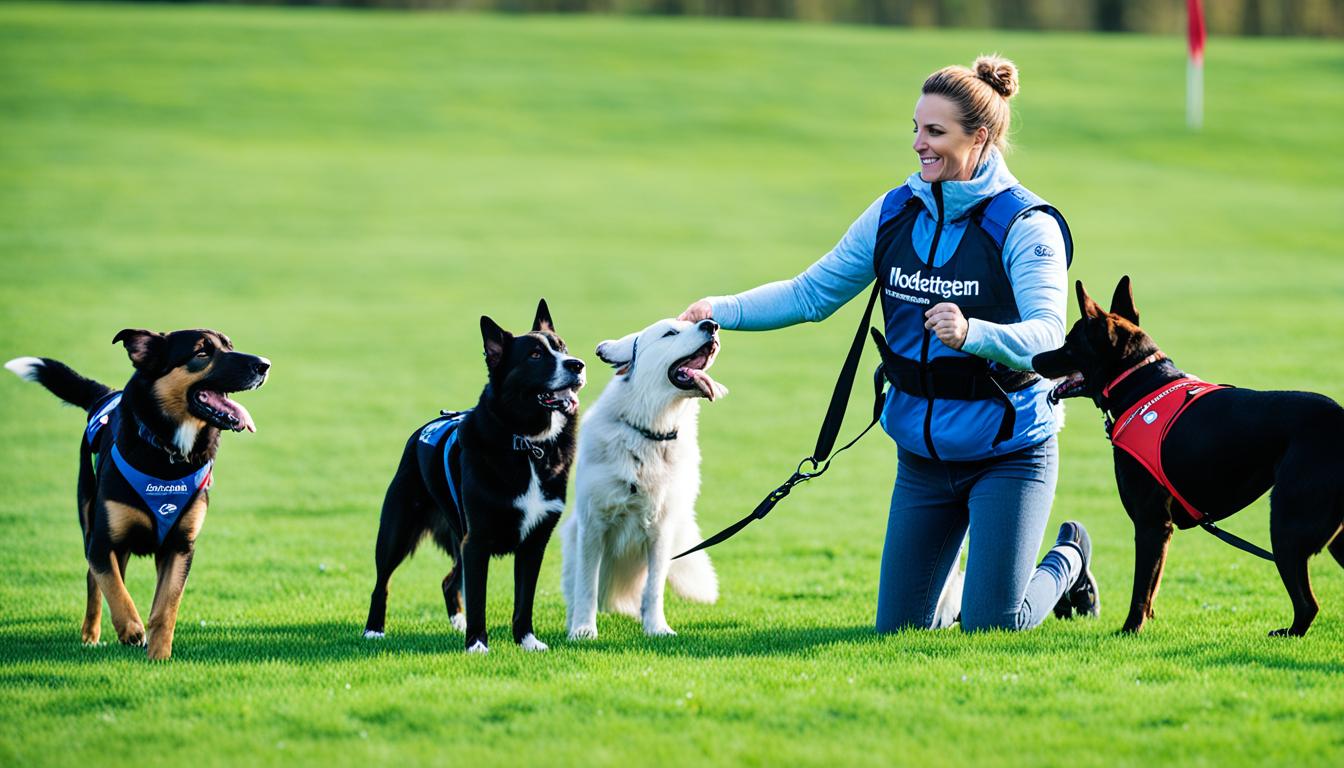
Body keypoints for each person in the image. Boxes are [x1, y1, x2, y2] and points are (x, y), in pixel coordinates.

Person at [679, 55, 1099, 632]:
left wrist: (973, 332)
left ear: (980, 137)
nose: (919, 145)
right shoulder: (895, 213)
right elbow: (810, 295)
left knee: (992, 627)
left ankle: (1067, 562)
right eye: (915, 130)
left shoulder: (1027, 225)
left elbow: (1051, 337)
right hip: (923, 458)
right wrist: (718, 309)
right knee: (898, 632)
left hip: (1009, 450)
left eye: (935, 132)